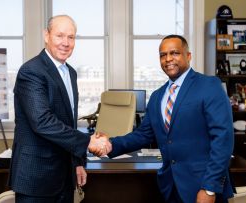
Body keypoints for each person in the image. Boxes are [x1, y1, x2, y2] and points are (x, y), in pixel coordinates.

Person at [91, 35, 234, 203]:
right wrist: (109, 145)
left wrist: (209, 188)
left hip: (201, 188)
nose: (168, 59)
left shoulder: (209, 85)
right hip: (170, 186)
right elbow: (143, 135)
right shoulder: (157, 96)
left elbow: (223, 139)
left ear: (188, 56)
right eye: (162, 55)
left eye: (174, 53)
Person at [8, 15, 111, 203]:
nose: (66, 43)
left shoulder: (70, 72)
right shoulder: (31, 71)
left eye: (71, 37)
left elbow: (68, 122)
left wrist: (77, 162)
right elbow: (42, 122)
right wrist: (88, 142)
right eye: (60, 36)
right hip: (35, 178)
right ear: (46, 36)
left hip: (64, 177)